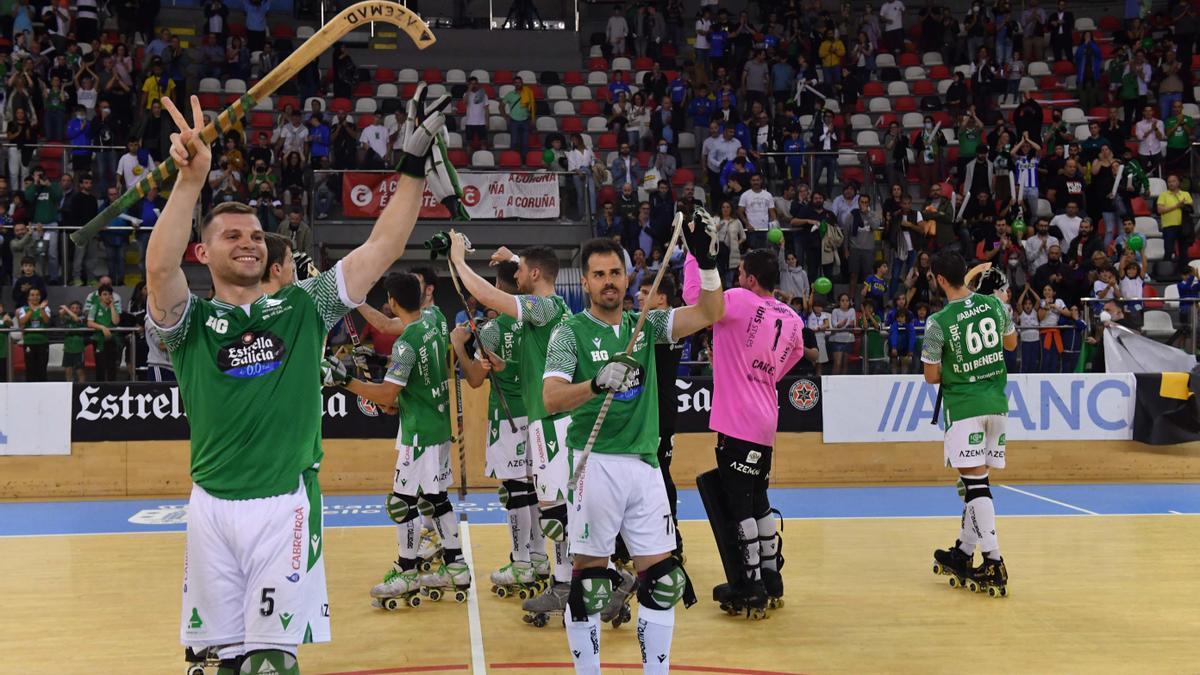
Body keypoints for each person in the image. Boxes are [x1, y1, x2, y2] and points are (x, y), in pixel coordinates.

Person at [150, 88, 446, 674]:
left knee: (271, 665)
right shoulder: (192, 324)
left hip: (281, 508)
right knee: (222, 663)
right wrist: (190, 182)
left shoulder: (302, 307)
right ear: (203, 251)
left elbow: (382, 247)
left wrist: (411, 164)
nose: (249, 242)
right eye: (232, 236)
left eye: (256, 235)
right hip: (211, 509)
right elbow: (159, 271)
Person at [543, 229, 722, 673]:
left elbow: (710, 312)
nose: (609, 281)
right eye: (599, 274)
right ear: (584, 282)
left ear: (628, 278)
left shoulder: (646, 326)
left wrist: (709, 261)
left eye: (616, 272)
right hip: (595, 463)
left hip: (646, 466)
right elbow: (551, 398)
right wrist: (597, 382)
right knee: (590, 587)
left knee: (663, 582)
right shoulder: (569, 332)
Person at [682, 224, 815, 615]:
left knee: (739, 504)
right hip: (765, 419)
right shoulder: (791, 316)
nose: (736, 279)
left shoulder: (739, 300)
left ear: (750, 278)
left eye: (739, 274)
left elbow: (696, 300)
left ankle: (750, 584)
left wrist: (694, 256)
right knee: (758, 499)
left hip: (737, 420)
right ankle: (771, 577)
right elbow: (790, 360)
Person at [447, 237, 576, 622]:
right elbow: (538, 271)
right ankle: (565, 576)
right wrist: (515, 258)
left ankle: (581, 576)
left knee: (548, 504)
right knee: (551, 504)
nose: (517, 273)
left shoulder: (535, 310)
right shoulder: (554, 306)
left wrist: (457, 261)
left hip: (540, 418)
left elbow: (490, 295)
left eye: (521, 269)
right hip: (539, 416)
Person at [326, 271, 470, 607]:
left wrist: (343, 380)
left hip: (419, 433)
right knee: (436, 499)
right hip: (437, 426)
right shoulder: (434, 318)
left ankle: (406, 572)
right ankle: (456, 567)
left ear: (392, 301)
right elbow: (388, 326)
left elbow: (388, 394)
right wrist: (356, 302)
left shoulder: (406, 344)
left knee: (401, 502)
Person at [449, 260, 548, 594]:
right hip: (538, 414)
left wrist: (460, 347)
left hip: (508, 420)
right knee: (535, 490)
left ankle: (521, 563)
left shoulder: (491, 330)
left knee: (516, 491)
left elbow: (475, 379)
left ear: (499, 286)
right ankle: (538, 557)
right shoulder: (540, 321)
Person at [924, 252, 1017, 597]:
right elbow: (1011, 343)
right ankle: (963, 552)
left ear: (939, 280)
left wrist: (956, 365)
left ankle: (993, 561)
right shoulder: (995, 306)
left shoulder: (939, 321)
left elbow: (931, 376)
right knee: (974, 484)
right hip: (997, 404)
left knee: (976, 487)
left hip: (965, 407)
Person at [17, 287, 51, 382]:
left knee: (42, 369)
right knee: (30, 369)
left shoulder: (46, 308)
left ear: (40, 297)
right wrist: (31, 310)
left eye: (37, 295)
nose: (35, 297)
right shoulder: (23, 309)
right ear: (28, 297)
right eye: (32, 295)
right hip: (29, 342)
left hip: (42, 342)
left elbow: (47, 321)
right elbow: (22, 322)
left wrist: (42, 309)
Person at [59, 301, 88, 382]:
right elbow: (61, 316)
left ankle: (81, 388)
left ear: (80, 310)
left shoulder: (83, 318)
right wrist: (63, 311)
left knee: (80, 371)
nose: (75, 310)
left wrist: (66, 309)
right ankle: (68, 389)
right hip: (68, 349)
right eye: (72, 308)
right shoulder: (67, 319)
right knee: (68, 371)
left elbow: (76, 319)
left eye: (77, 308)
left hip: (78, 350)